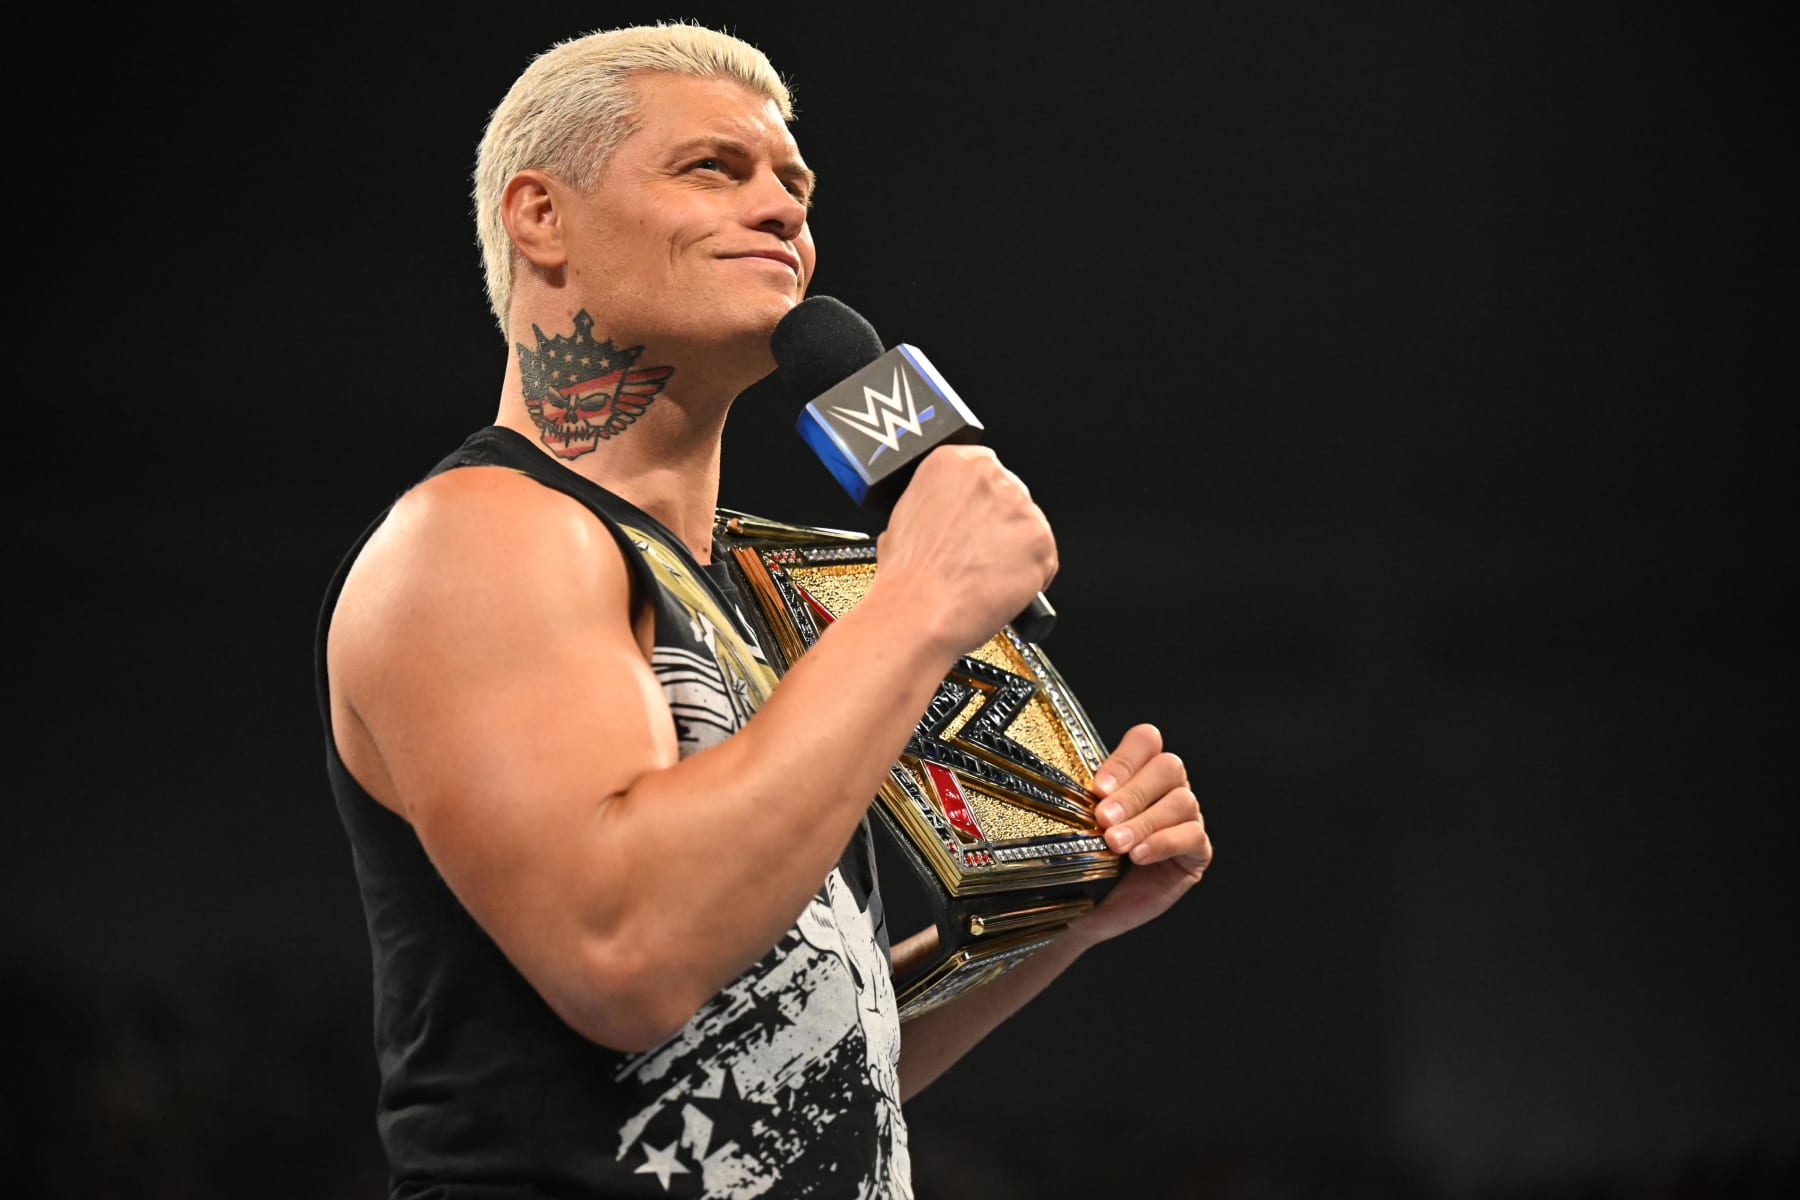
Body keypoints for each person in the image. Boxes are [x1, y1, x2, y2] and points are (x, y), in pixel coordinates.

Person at [314, 22, 1212, 1198]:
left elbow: (792, 1077)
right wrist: (922, 599)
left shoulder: (747, 596)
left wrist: (1059, 919)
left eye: (795, 186)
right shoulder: (482, 536)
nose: (782, 209)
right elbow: (625, 954)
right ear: (541, 218)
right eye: (713, 169)